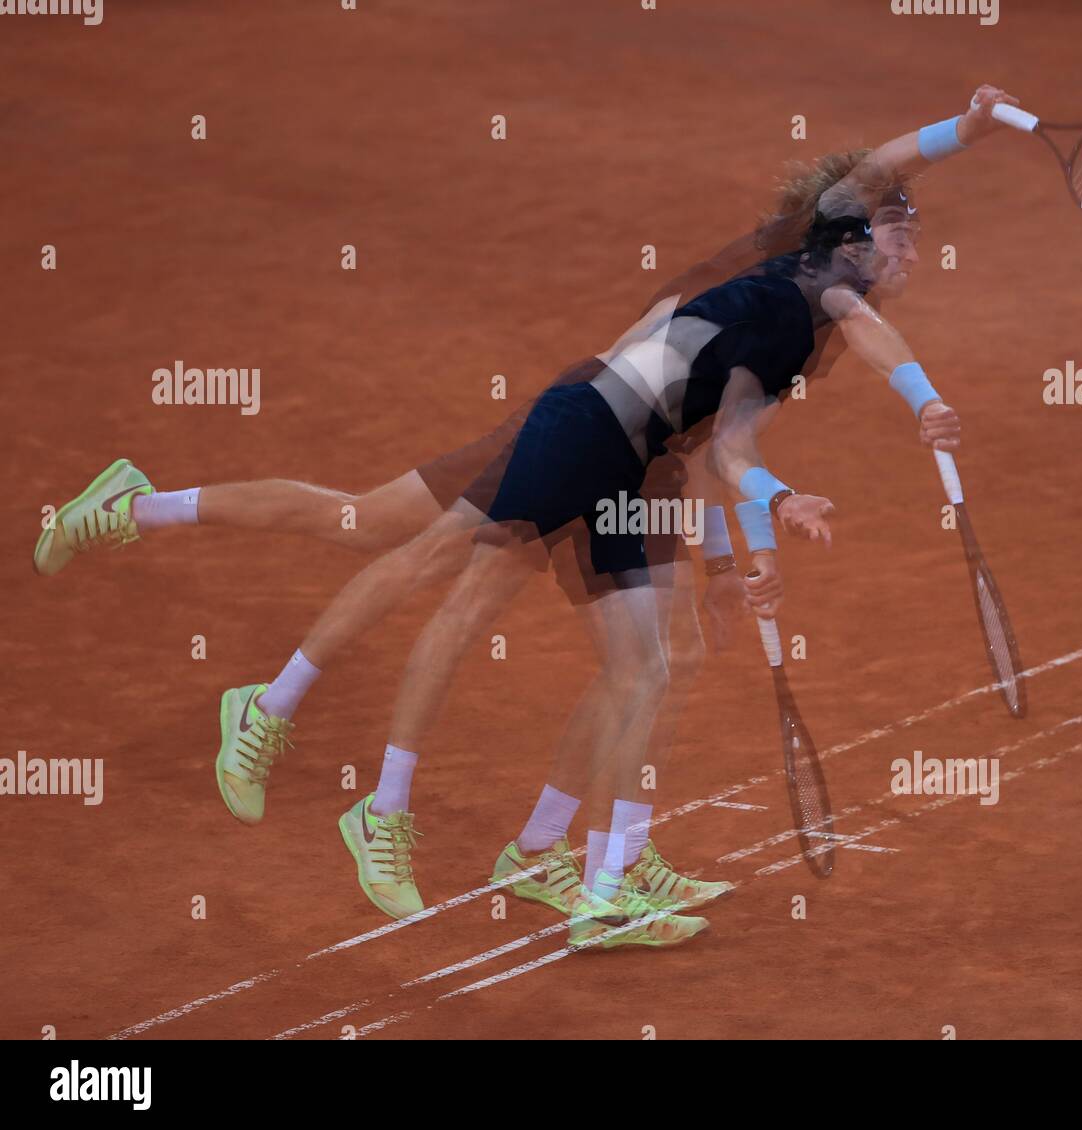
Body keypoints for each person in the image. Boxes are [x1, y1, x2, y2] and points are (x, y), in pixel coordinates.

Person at [33, 85, 1020, 949]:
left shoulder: (812, 332)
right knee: (421, 561)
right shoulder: (810, 258)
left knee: (401, 540)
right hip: (591, 421)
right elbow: (876, 188)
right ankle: (355, 770)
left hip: (636, 450)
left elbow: (730, 441)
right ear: (846, 227)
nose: (914, 244)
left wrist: (750, 529)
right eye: (903, 228)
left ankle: (553, 850)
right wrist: (965, 132)